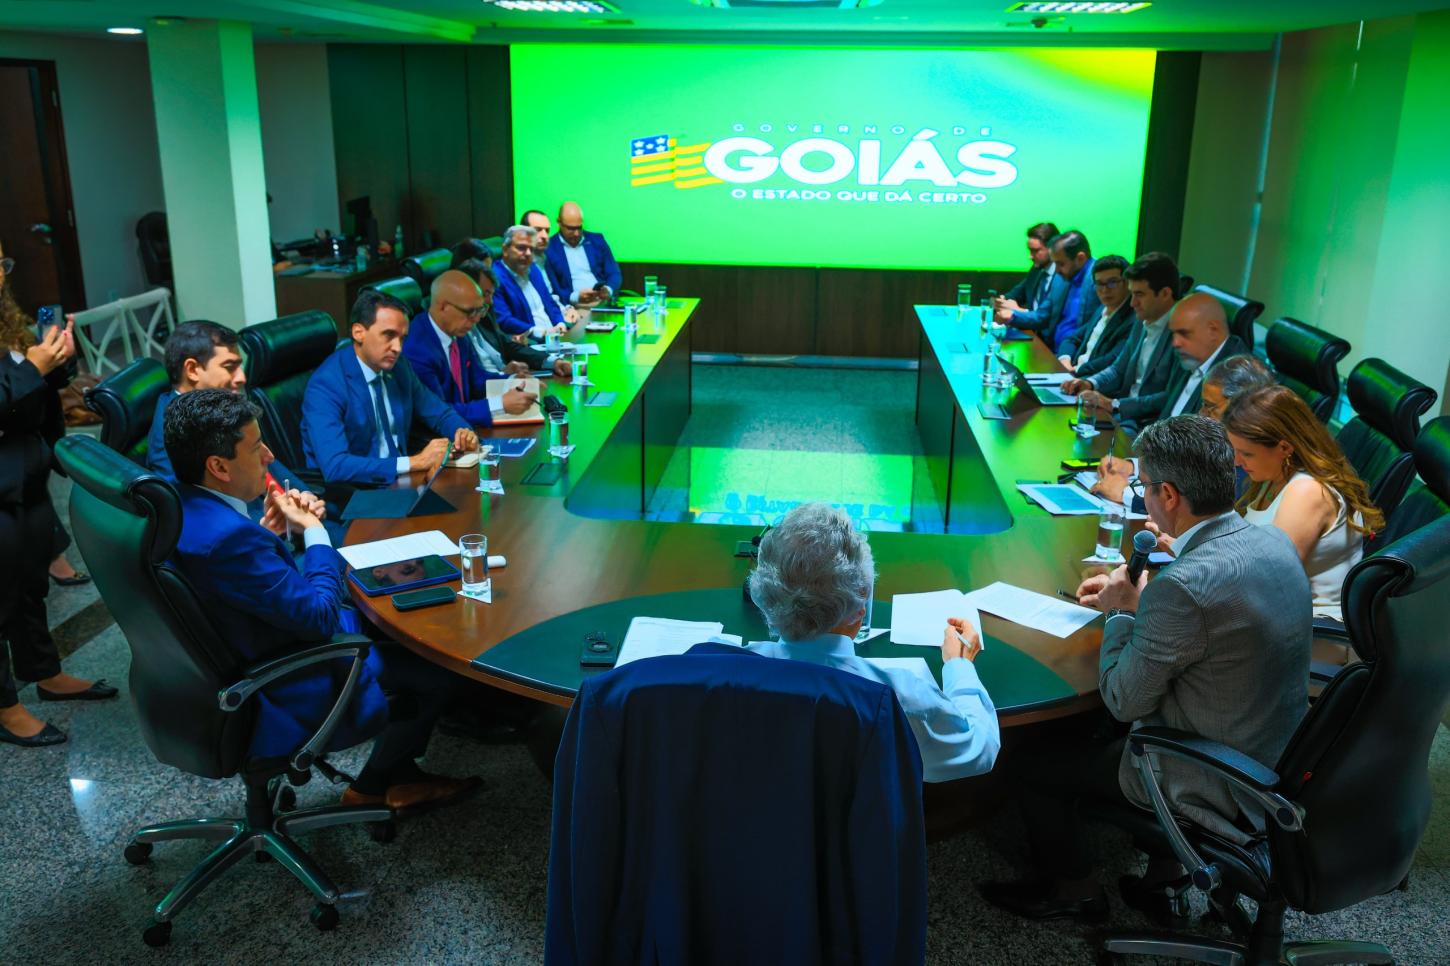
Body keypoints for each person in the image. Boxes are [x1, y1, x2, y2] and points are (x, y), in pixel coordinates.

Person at [979, 415, 1311, 922]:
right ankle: (1164, 873)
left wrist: (1121, 612)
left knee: (1035, 763)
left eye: (1144, 486)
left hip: (1213, 776)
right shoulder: (1273, 542)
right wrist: (1149, 598)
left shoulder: (1184, 586)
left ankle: (1072, 890)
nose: (1143, 496)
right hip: (1276, 751)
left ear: (1169, 495)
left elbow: (1122, 699)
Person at [164, 389, 479, 812]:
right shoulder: (229, 540)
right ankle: (374, 785)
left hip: (224, 666)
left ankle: (401, 773)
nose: (269, 456)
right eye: (256, 448)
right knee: (435, 668)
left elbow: (240, 584)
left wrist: (269, 536)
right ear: (218, 466)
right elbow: (320, 617)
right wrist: (314, 531)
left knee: (393, 625)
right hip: (283, 681)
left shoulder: (179, 506)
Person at [743, 502, 1000, 782]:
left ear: (762, 593)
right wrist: (959, 665)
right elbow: (979, 750)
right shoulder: (900, 699)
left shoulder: (723, 672)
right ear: (861, 601)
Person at [1, 246, 116, 747]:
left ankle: (45, 673)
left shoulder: (8, 324)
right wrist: (32, 370)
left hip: (24, 477)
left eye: (2, 263)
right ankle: (6, 709)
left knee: (29, 587)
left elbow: (23, 389)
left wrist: (56, 367)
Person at [1223, 385, 1384, 623]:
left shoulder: (1307, 492)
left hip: (1311, 628)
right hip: (1275, 618)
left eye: (1247, 454)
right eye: (1235, 451)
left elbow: (1268, 580)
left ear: (1284, 448)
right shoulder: (1274, 477)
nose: (1237, 462)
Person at [146, 320, 326, 529]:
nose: (242, 377)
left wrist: (305, 496)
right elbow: (202, 521)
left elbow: (267, 464)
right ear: (193, 369)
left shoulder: (223, 410)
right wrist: (274, 527)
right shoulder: (173, 436)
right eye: (230, 367)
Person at [302, 290, 478, 486]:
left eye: (402, 338)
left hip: (403, 480)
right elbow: (336, 466)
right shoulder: (326, 385)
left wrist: (462, 432)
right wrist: (414, 462)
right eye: (389, 335)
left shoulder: (399, 367)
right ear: (358, 332)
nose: (398, 348)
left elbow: (440, 413)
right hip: (358, 492)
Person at [1095, 353, 1276, 506]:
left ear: (1242, 408)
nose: (1202, 414)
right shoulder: (1218, 439)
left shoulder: (1251, 458)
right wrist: (1134, 467)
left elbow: (1205, 509)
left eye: (1209, 406)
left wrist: (1127, 494)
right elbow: (1183, 469)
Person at [401, 270, 538, 428]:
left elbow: (476, 380)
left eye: (480, 310)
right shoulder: (416, 349)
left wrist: (512, 382)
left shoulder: (456, 331)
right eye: (470, 311)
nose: (477, 319)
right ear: (443, 307)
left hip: (469, 427)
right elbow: (439, 414)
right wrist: (499, 405)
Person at [1062, 252, 1182, 428]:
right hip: (1122, 415)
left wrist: (1115, 404)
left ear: (1165, 293)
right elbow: (1118, 369)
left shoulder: (1182, 333)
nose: (1132, 303)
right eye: (1132, 294)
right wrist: (1090, 383)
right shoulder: (1142, 320)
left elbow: (1170, 396)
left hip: (1149, 425)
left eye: (1139, 294)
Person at [455, 258, 571, 380]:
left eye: (491, 295)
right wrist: (503, 376)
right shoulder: (455, 331)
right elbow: (472, 381)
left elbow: (509, 346)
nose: (490, 302)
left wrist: (553, 362)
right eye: (485, 294)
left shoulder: (485, 316)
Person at [493, 225, 573, 339]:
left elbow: (550, 302)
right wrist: (540, 332)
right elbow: (504, 320)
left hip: (555, 338)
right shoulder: (495, 277)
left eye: (531, 249)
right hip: (530, 342)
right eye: (522, 248)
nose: (528, 253)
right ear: (505, 250)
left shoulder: (533, 269)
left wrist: (560, 323)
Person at [1056, 255, 1133, 373]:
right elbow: (1072, 339)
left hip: (1090, 378)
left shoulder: (1133, 318)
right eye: (1100, 284)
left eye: (1112, 283)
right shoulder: (1102, 308)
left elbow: (1113, 359)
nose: (1105, 290)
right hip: (1073, 373)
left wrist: (1077, 370)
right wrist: (1064, 360)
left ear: (1127, 282)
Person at [544, 202, 622, 308]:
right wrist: (576, 297)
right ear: (559, 222)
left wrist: (608, 289)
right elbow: (552, 289)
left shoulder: (597, 240)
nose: (576, 233)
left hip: (603, 302)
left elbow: (614, 272)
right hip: (573, 306)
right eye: (571, 228)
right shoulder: (549, 249)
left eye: (579, 227)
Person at [998, 221, 1060, 313]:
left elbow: (1050, 316)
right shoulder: (1036, 270)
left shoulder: (1063, 276)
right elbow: (1015, 294)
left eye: (1035, 251)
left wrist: (1019, 311)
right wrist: (1001, 301)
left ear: (1052, 248)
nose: (1030, 256)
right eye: (1030, 251)